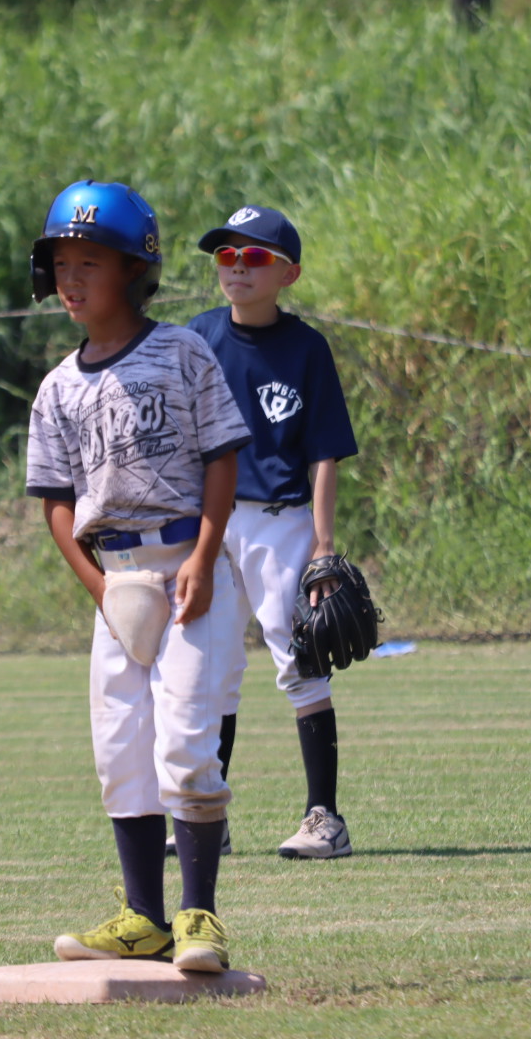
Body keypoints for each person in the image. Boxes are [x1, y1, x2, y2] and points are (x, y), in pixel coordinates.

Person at [24, 180, 252, 971]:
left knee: (186, 747)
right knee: (122, 751)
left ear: (133, 269)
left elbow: (222, 458)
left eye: (89, 262)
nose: (72, 278)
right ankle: (142, 919)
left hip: (188, 570)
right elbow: (57, 502)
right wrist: (99, 591)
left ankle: (199, 917)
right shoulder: (58, 386)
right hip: (115, 579)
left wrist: (204, 557)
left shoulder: (183, 352)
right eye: (61, 263)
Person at [182, 204, 359, 860]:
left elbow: (323, 454)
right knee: (212, 669)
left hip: (279, 521)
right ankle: (209, 818)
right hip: (210, 521)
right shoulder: (198, 337)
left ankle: (326, 820)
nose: (237, 267)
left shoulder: (306, 348)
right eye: (226, 255)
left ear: (289, 274)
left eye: (254, 256)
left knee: (300, 662)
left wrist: (323, 547)